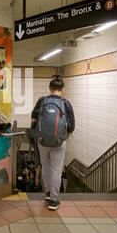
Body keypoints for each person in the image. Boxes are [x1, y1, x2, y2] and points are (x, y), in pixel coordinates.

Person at [31, 74, 75, 210]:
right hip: (59, 141)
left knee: (45, 166)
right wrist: (65, 136)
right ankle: (54, 200)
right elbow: (72, 124)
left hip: (42, 140)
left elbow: (33, 120)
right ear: (63, 89)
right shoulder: (66, 103)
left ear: (50, 88)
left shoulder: (42, 100)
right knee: (56, 169)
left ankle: (48, 193)